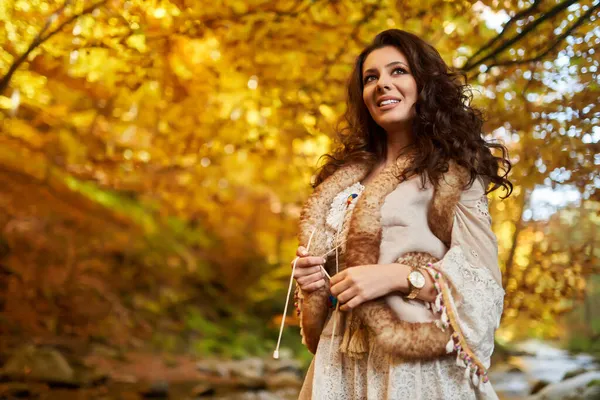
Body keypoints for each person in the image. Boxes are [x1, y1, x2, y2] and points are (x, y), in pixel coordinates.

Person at [290, 29, 512, 399]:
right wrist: (317, 285)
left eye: (398, 71)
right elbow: (339, 290)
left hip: (415, 370)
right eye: (371, 78)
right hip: (340, 365)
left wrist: (400, 277)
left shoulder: (452, 173)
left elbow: (484, 287)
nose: (382, 85)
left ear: (424, 83)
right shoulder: (343, 181)